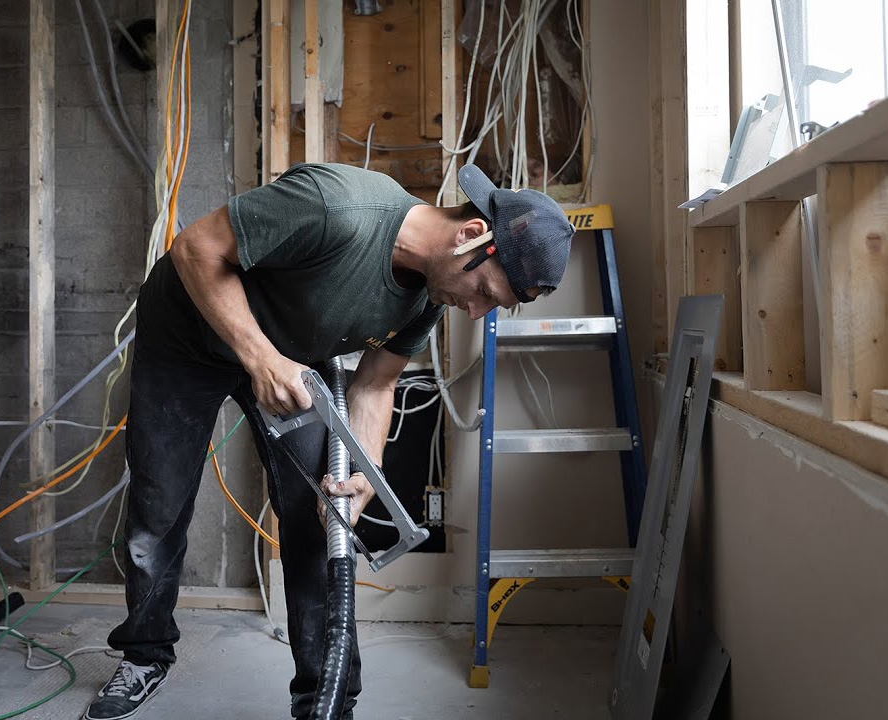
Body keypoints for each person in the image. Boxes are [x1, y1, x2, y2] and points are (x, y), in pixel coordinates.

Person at [83, 162, 574, 720]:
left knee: (323, 512)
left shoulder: (431, 293)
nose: (476, 309)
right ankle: (145, 655)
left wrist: (365, 471)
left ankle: (327, 695)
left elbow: (375, 381)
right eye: (484, 290)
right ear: (469, 236)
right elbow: (196, 248)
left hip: (290, 352)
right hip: (189, 334)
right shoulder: (336, 207)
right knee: (160, 503)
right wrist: (259, 357)